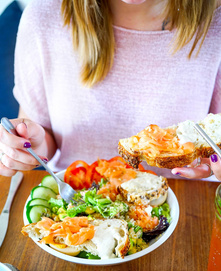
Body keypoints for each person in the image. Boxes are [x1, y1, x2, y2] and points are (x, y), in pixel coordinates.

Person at [0, 0, 221, 181]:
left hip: (190, 208)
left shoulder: (216, 25)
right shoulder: (42, 18)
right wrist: (29, 146)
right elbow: (40, 134)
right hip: (75, 203)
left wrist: (215, 165)